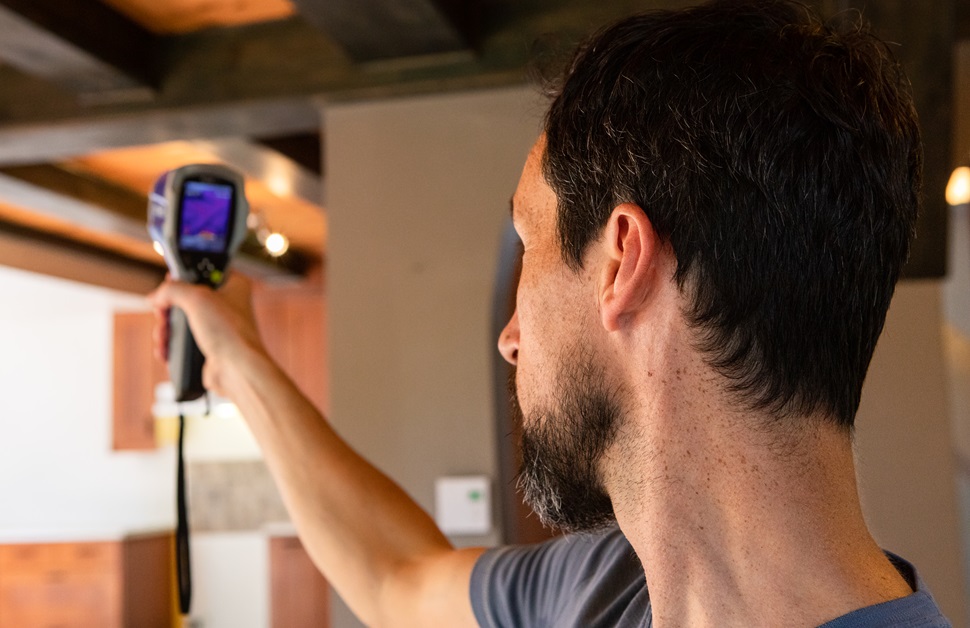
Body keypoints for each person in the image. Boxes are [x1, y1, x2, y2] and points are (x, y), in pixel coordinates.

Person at [152, 0, 952, 625]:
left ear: (621, 264)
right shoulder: (605, 590)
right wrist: (239, 356)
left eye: (529, 246)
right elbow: (395, 581)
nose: (508, 341)